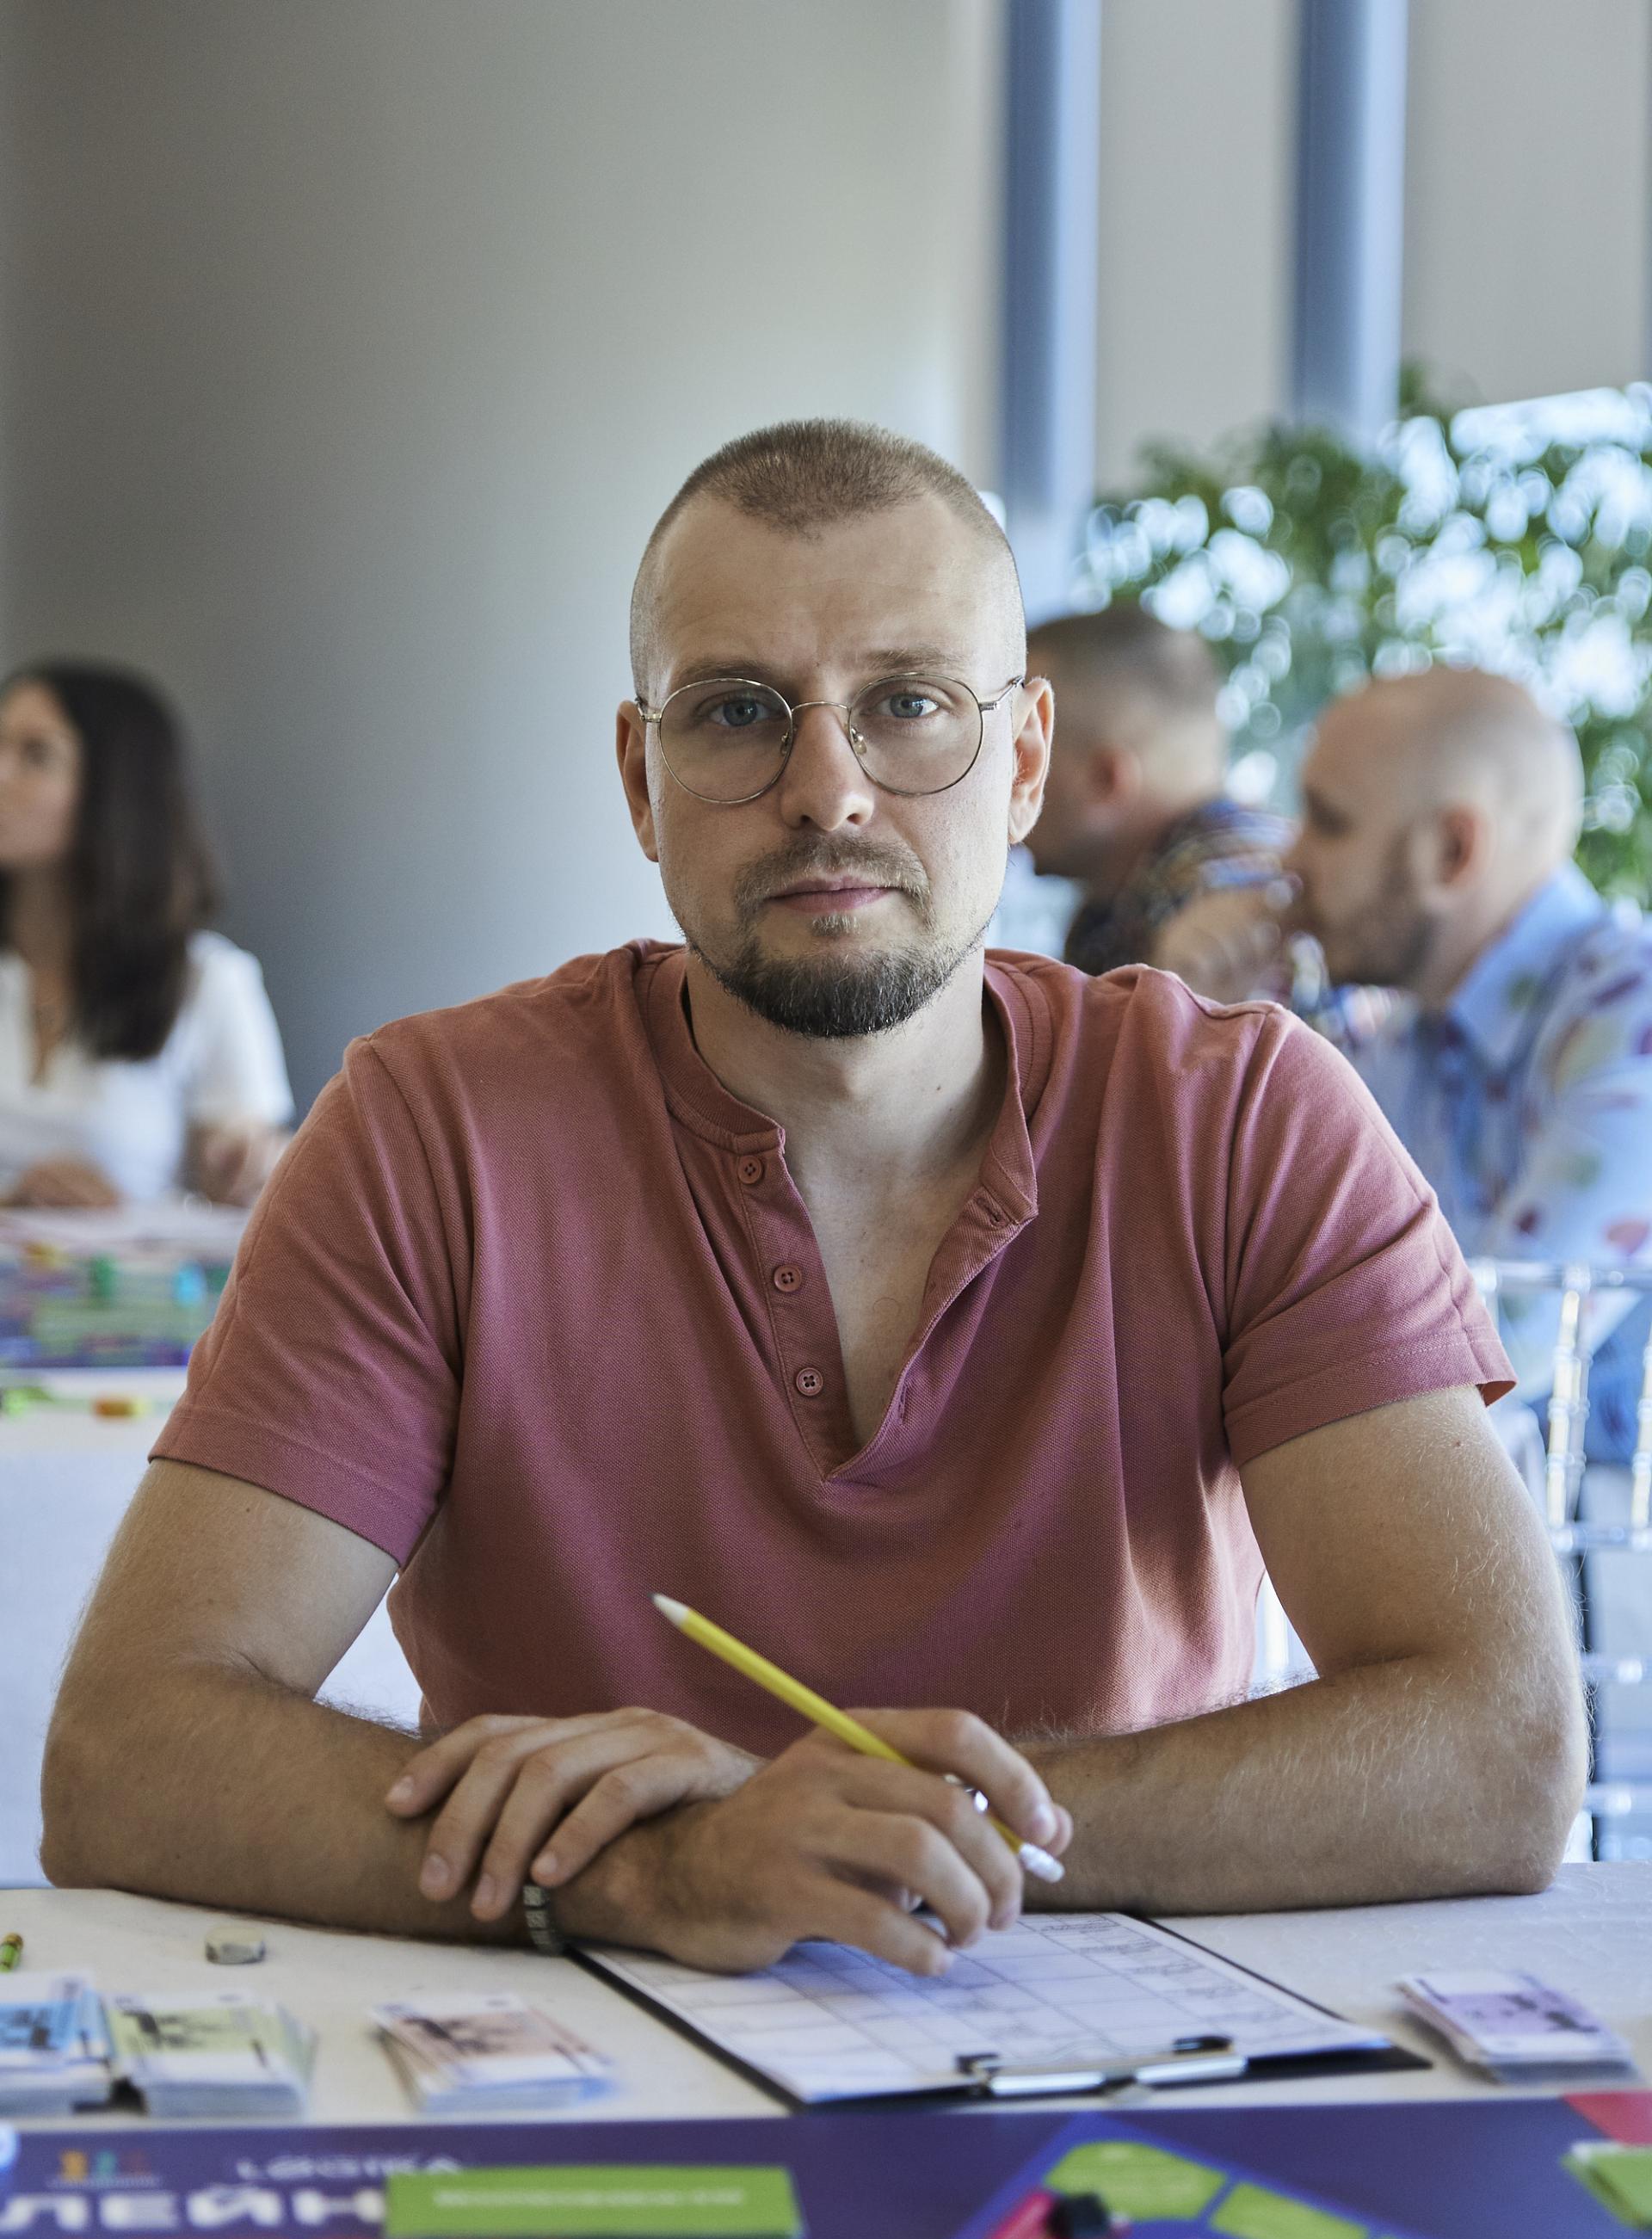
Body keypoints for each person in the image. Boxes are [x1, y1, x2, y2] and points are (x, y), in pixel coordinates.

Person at [43, 419, 1581, 1975]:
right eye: (737, 712)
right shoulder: (429, 1129)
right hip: (583, 2046)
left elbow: (1502, 1745)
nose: (827, 791)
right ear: (642, 780)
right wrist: (664, 1870)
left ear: (1025, 761)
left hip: (1111, 2050)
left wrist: (901, 1836)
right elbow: (130, 1749)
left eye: (909, 702)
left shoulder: (1240, 1118)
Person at [1291, 668, 1652, 1465]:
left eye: (1328, 821)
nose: (1291, 856)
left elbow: (1483, 1359)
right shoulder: (1410, 1036)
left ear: (1453, 851)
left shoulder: (1639, 1024)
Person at [0, 662, 292, 1208]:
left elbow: (242, 1186)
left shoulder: (208, 982)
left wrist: (245, 1169)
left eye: (36, 755)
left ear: (117, 792)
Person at [1021, 605, 1292, 982]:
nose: (994, 785)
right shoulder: (1118, 904)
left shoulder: (1210, 898)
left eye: (1018, 756)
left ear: (1103, 781)